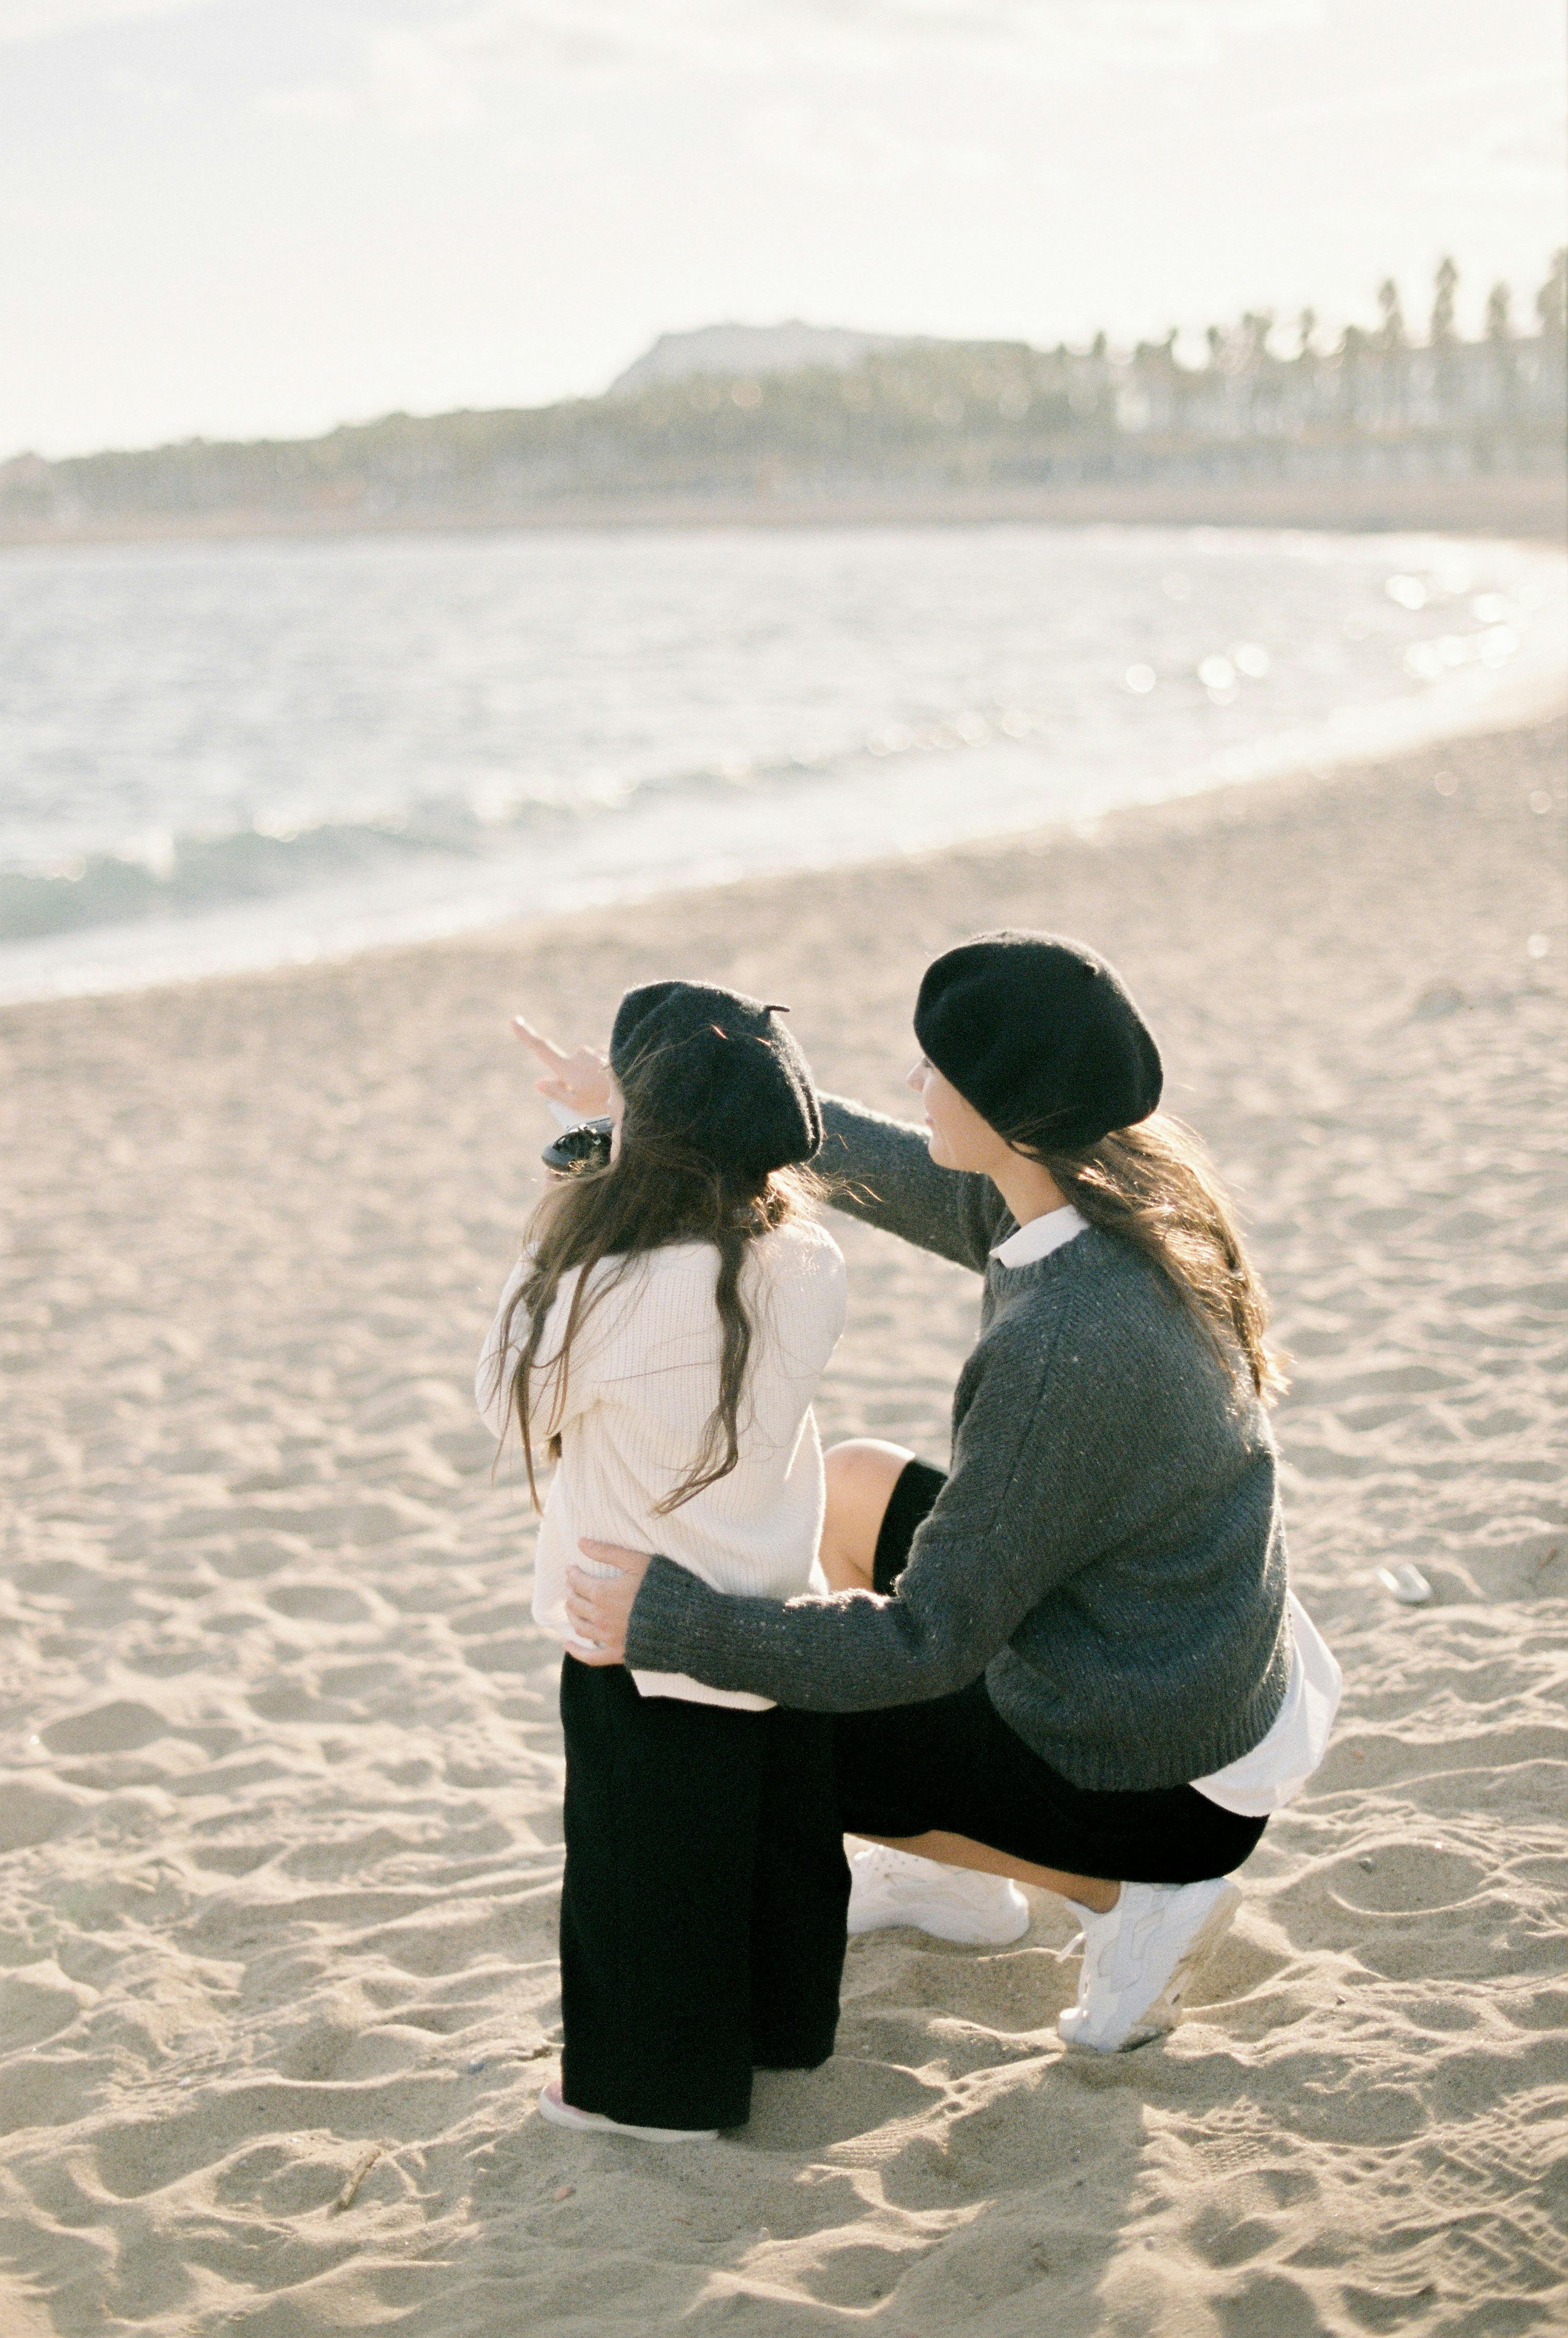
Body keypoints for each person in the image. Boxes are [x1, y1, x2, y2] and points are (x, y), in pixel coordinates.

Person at [554, 932, 1342, 2054]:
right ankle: (963, 1891)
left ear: (1011, 1115)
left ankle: (1128, 1898)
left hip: (1153, 1765)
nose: (916, 1084)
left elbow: (926, 1646)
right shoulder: (1111, 1190)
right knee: (855, 1485)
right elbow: (894, 1169)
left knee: (785, 1721)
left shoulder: (1068, 1340)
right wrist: (663, 1105)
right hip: (1190, 1663)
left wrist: (674, 1622)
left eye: (937, 1070)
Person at [478, 981, 850, 2139]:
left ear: (641, 1143)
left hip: (630, 1630)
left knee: (642, 1878)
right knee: (773, 1854)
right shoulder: (811, 1261)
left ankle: (649, 2096)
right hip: (769, 1618)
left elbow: (505, 1400)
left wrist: (560, 1211)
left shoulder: (600, 1287)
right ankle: (781, 2034)